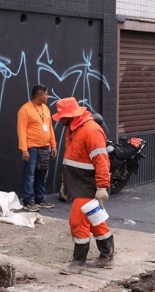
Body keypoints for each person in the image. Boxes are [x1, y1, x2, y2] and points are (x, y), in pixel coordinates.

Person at [52, 96, 113, 273]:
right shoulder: (73, 129)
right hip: (79, 183)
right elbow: (70, 158)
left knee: (77, 220)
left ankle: (79, 262)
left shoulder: (90, 130)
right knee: (96, 221)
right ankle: (106, 256)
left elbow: (102, 160)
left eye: (62, 116)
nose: (60, 120)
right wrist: (65, 183)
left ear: (70, 115)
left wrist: (102, 186)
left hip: (88, 184)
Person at [17, 84, 58, 212]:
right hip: (32, 148)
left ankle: (40, 199)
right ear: (39, 95)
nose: (48, 96)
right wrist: (24, 149)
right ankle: (28, 200)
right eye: (46, 94)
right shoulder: (25, 110)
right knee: (30, 175)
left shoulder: (45, 108)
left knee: (42, 174)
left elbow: (50, 127)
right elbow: (21, 130)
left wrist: (53, 144)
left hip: (45, 147)